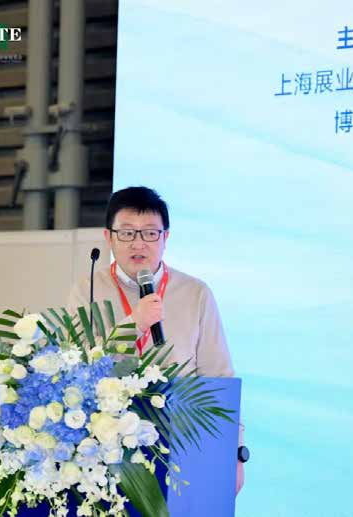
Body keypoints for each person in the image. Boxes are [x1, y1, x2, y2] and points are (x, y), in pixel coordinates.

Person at [66, 186, 246, 495]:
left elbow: (218, 378)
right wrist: (134, 325)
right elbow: (77, 368)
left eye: (150, 233)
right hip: (105, 449)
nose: (138, 243)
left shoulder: (195, 293)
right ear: (108, 237)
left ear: (166, 237)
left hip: (183, 444)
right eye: (127, 233)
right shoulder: (88, 291)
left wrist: (236, 451)